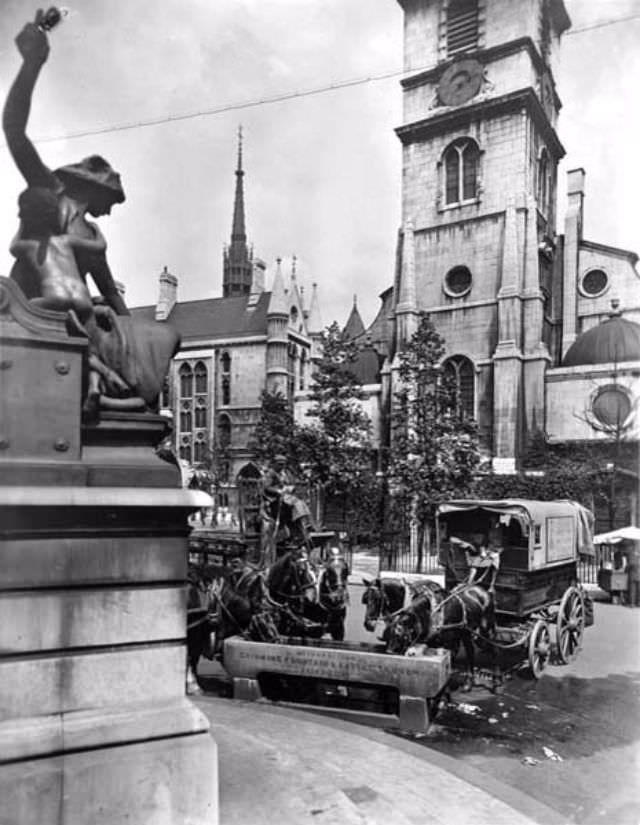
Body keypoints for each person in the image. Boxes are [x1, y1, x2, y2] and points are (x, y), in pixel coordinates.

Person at [3, 13, 179, 411]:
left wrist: (132, 334)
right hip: (31, 310)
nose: (111, 213)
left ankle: (121, 393)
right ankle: (106, 387)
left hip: (72, 313)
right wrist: (32, 64)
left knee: (154, 339)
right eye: (111, 203)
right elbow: (13, 128)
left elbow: (110, 289)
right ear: (95, 188)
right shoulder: (46, 192)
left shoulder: (93, 232)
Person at [626, 540, 640, 608]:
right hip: (638, 575)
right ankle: (638, 603)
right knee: (638, 590)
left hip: (632, 575)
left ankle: (632, 603)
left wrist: (627, 569)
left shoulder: (632, 555)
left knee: (632, 590)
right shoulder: (637, 556)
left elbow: (629, 565)